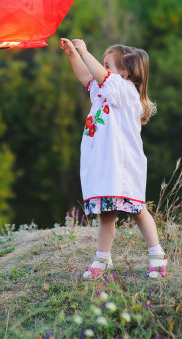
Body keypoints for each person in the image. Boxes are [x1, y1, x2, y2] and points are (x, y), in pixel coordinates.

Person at [60, 37, 168, 280]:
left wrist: (85, 51)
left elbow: (99, 75)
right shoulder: (105, 89)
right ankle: (102, 258)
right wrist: (73, 55)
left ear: (126, 73)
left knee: (138, 209)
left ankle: (157, 255)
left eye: (107, 65)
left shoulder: (124, 90)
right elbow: (87, 78)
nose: (101, 69)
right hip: (105, 164)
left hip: (124, 165)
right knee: (107, 214)